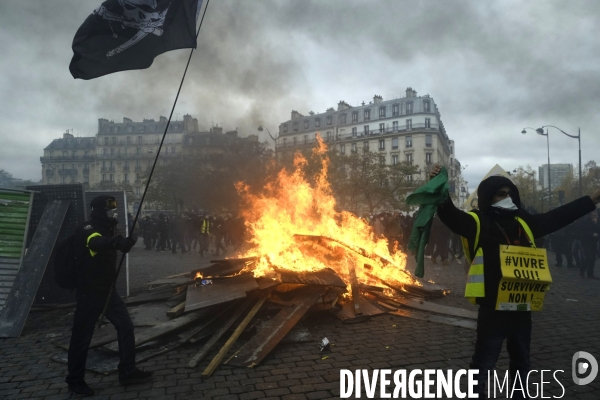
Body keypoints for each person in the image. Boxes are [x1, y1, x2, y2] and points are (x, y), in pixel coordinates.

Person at [429, 164, 600, 399]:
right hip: (493, 309)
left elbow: (560, 216)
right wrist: (439, 185)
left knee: (522, 364)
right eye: (501, 193)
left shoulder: (525, 222)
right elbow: (449, 214)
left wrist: (593, 199)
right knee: (483, 364)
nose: (507, 197)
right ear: (489, 197)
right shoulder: (478, 222)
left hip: (522, 307)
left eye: (509, 193)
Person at [66, 195, 152, 396]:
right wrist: (115, 243)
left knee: (126, 326)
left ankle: (128, 371)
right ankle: (75, 380)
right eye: (109, 210)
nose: (113, 213)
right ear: (98, 210)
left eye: (114, 209)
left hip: (107, 290)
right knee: (82, 337)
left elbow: (111, 243)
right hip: (89, 292)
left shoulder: (109, 228)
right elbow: (96, 243)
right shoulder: (87, 229)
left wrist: (125, 242)